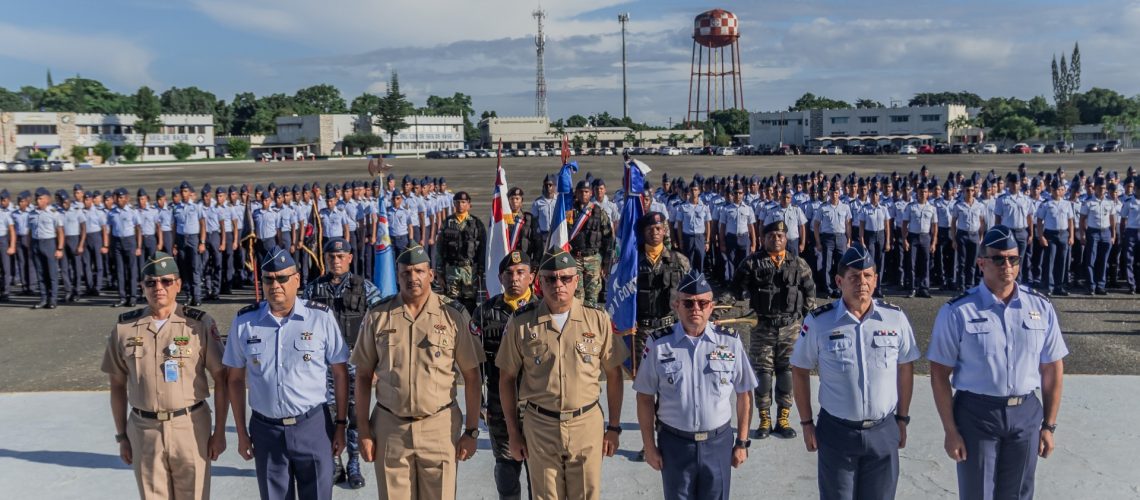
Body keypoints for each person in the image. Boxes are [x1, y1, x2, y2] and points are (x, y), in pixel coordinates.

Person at [928, 225, 1068, 500]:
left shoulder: (1040, 307)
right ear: (981, 263)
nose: (1007, 265)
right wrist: (950, 430)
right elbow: (939, 373)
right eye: (998, 258)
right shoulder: (958, 311)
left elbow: (1052, 368)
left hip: (1026, 413)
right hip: (977, 415)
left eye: (1013, 259)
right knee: (978, 494)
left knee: (1018, 494)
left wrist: (1048, 426)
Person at [352, 244, 483, 500]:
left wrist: (471, 431)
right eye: (406, 272)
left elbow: (472, 376)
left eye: (420, 271)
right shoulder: (379, 315)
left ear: (431, 274)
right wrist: (365, 431)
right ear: (398, 275)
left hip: (439, 428)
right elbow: (363, 375)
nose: (413, 278)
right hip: (391, 429)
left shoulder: (453, 316)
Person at [496, 250, 628, 500]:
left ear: (577, 280)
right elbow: (506, 378)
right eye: (551, 279)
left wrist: (614, 427)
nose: (559, 285)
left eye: (565, 278)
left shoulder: (597, 319)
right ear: (540, 282)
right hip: (540, 426)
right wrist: (513, 433)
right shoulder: (521, 323)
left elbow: (614, 374)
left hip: (586, 423)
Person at [790, 244, 919, 500]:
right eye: (854, 277)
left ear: (875, 279)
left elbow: (905, 366)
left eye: (868, 276)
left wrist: (902, 418)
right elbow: (799, 368)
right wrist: (806, 423)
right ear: (839, 281)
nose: (862, 282)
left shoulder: (895, 319)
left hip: (883, 431)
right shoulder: (819, 322)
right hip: (837, 433)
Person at [224, 247, 349, 500]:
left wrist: (340, 425)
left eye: (282, 278)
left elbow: (340, 373)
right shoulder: (245, 322)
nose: (275, 285)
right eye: (268, 278)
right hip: (266, 431)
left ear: (296, 280)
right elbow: (235, 380)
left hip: (312, 426)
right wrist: (240, 432)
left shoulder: (321, 318)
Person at [102, 252, 228, 499]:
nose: (158, 288)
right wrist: (122, 436)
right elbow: (116, 385)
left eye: (166, 281)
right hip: (144, 429)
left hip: (189, 427)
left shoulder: (198, 324)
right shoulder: (124, 328)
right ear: (142, 287)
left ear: (178, 284)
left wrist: (220, 432)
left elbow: (221, 379)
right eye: (151, 282)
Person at [633, 269, 757, 500]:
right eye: (689, 304)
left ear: (712, 306)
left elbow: (744, 393)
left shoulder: (729, 340)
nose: (696, 309)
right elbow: (644, 397)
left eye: (702, 303)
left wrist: (742, 441)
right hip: (675, 445)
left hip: (718, 444)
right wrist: (649, 446)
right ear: (676, 305)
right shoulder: (659, 344)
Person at [301, 237, 384, 489]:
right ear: (325, 259)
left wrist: (378, 365)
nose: (336, 261)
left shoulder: (366, 288)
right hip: (323, 366)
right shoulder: (313, 290)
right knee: (327, 415)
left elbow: (379, 328)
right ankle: (334, 461)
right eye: (331, 257)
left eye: (340, 256)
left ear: (349, 258)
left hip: (356, 363)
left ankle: (354, 464)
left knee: (356, 415)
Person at [730, 220, 816, 439]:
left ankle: (783, 418)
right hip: (762, 328)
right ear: (763, 238)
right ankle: (765, 419)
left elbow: (809, 292)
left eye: (780, 236)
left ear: (786, 238)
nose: (776, 239)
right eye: (771, 236)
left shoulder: (798, 264)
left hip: (791, 327)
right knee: (763, 375)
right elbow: (735, 290)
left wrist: (809, 321)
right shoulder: (751, 263)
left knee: (787, 373)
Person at [470, 251, 537, 500]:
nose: (514, 278)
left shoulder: (543, 310)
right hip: (499, 407)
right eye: (508, 273)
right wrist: (479, 404)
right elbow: (474, 364)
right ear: (499, 277)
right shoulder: (485, 312)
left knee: (539, 476)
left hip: (537, 408)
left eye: (521, 273)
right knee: (507, 474)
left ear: (531, 276)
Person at [434, 191, 487, 313]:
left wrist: (481, 271)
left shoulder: (476, 223)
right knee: (452, 303)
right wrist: (440, 272)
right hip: (452, 270)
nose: (460, 205)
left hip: (470, 270)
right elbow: (440, 249)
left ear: (469, 204)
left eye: (463, 202)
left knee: (470, 302)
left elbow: (482, 248)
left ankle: (470, 329)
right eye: (457, 202)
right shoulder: (447, 223)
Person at [568, 180, 615, 306]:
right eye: (581, 192)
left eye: (586, 192)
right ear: (576, 194)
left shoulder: (599, 213)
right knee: (576, 294)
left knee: (592, 295)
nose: (584, 194)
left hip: (593, 259)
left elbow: (609, 238)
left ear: (591, 194)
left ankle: (590, 323)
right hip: (574, 258)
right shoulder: (568, 212)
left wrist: (606, 263)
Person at [1036, 180, 1076, 296]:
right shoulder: (1046, 204)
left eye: (1060, 189)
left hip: (1064, 234)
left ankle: (1060, 286)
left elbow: (1070, 221)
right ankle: (1050, 286)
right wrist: (1041, 236)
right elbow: (1039, 221)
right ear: (1051, 190)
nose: (1058, 192)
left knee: (1062, 261)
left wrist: (1072, 236)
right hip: (1050, 235)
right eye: (1055, 190)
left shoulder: (1067, 204)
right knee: (1050, 261)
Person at [814, 185, 853, 298]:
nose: (834, 195)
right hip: (827, 239)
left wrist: (849, 240)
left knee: (841, 265)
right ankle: (828, 289)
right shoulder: (823, 207)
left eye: (836, 193)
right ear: (829, 194)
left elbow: (848, 225)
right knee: (827, 265)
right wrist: (818, 242)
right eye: (832, 193)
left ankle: (840, 288)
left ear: (839, 193)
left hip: (841, 238)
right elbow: (816, 225)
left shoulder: (845, 207)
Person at [28, 187, 64, 309]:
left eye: (41, 198)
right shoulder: (32, 213)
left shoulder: (53, 213)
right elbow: (30, 231)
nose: (38, 201)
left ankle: (53, 299)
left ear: (47, 199)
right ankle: (43, 298)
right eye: (37, 198)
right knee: (40, 273)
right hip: (36, 243)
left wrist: (59, 248)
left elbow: (60, 232)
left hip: (49, 243)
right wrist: (30, 247)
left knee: (52, 273)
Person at [1080, 178, 1116, 295]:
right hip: (1093, 232)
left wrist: (1113, 235)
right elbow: (1082, 220)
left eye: (1104, 188)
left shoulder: (1109, 202)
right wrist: (1082, 234)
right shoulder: (1088, 202)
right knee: (1091, 260)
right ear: (1095, 188)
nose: (1102, 190)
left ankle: (1101, 285)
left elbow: (1112, 220)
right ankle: (1091, 285)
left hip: (1106, 232)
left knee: (1103, 260)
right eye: (1100, 188)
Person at [173, 182, 207, 306]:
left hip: (193, 239)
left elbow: (203, 224)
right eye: (182, 192)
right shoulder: (176, 208)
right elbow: (174, 227)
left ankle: (197, 296)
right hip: (181, 239)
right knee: (184, 269)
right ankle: (188, 295)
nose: (183, 194)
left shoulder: (197, 207)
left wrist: (202, 242)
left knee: (195, 268)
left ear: (190, 193)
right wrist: (174, 244)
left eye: (186, 191)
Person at [109, 188, 143, 308]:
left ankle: (133, 297)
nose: (119, 200)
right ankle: (122, 297)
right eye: (118, 197)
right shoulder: (112, 212)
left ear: (127, 198)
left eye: (122, 197)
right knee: (119, 271)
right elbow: (110, 229)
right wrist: (110, 246)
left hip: (130, 241)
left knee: (132, 270)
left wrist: (138, 246)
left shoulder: (132, 211)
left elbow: (138, 229)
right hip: (117, 242)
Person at [902, 183, 937, 298]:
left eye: (925, 192)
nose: (923, 194)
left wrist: (933, 242)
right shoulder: (911, 207)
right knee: (911, 264)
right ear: (917, 193)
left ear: (928, 193)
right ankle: (912, 288)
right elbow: (904, 224)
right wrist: (904, 240)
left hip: (926, 237)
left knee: (925, 263)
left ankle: (924, 288)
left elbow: (934, 226)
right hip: (913, 237)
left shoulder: (932, 208)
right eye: (921, 191)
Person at [951, 180, 987, 292]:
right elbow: (953, 223)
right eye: (968, 190)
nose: (970, 192)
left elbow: (981, 223)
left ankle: (969, 285)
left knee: (972, 263)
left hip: (974, 235)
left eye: (972, 190)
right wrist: (954, 239)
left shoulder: (979, 205)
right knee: (961, 262)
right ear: (963, 190)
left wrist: (981, 237)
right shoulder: (958, 205)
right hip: (962, 235)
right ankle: (961, 285)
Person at [675, 183, 711, 275]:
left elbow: (707, 224)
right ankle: (688, 284)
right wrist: (681, 241)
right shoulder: (683, 206)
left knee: (700, 261)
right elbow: (679, 225)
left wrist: (707, 241)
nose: (693, 192)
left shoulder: (704, 207)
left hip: (700, 238)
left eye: (695, 190)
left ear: (699, 191)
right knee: (687, 262)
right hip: (688, 237)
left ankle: (699, 284)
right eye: (691, 190)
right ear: (689, 191)